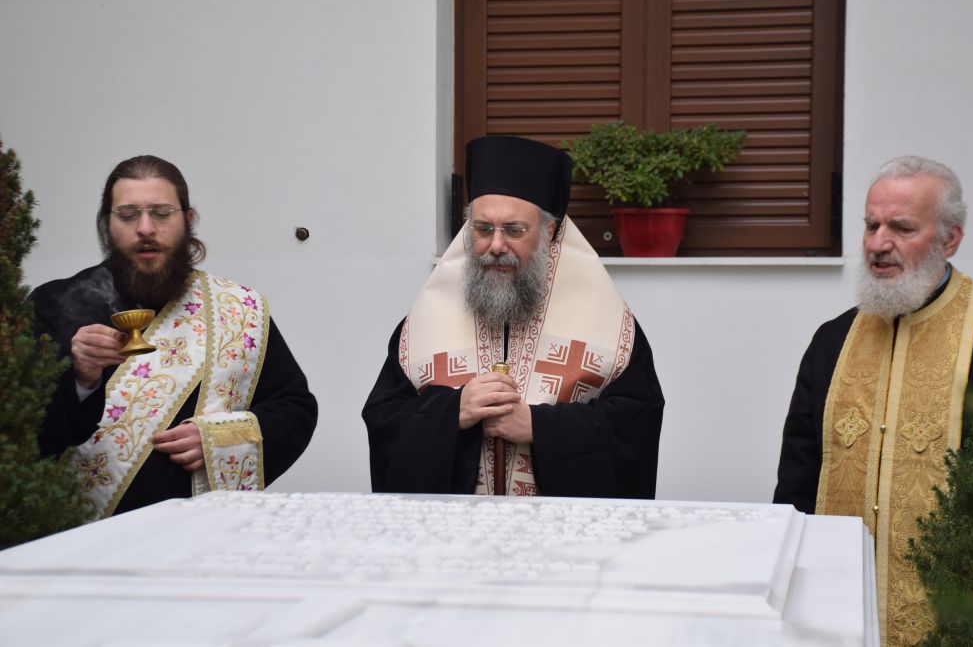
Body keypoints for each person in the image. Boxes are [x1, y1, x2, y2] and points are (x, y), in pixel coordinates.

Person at [773, 155, 973, 646]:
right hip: (835, 620)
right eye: (871, 225)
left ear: (950, 238)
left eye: (901, 227)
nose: (878, 244)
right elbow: (797, 482)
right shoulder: (832, 341)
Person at [363, 135, 664, 498]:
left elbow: (636, 423)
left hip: (558, 530)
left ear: (548, 232)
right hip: (454, 527)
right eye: (483, 229)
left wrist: (539, 426)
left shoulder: (612, 327)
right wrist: (453, 412)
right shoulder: (424, 323)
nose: (496, 246)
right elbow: (384, 419)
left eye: (514, 230)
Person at [31, 155, 317, 520]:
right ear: (107, 224)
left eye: (162, 213)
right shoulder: (56, 305)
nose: (145, 228)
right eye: (128, 214)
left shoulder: (236, 308)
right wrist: (80, 381)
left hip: (198, 534)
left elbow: (295, 409)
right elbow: (23, 429)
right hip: (80, 537)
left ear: (188, 220)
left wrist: (221, 439)